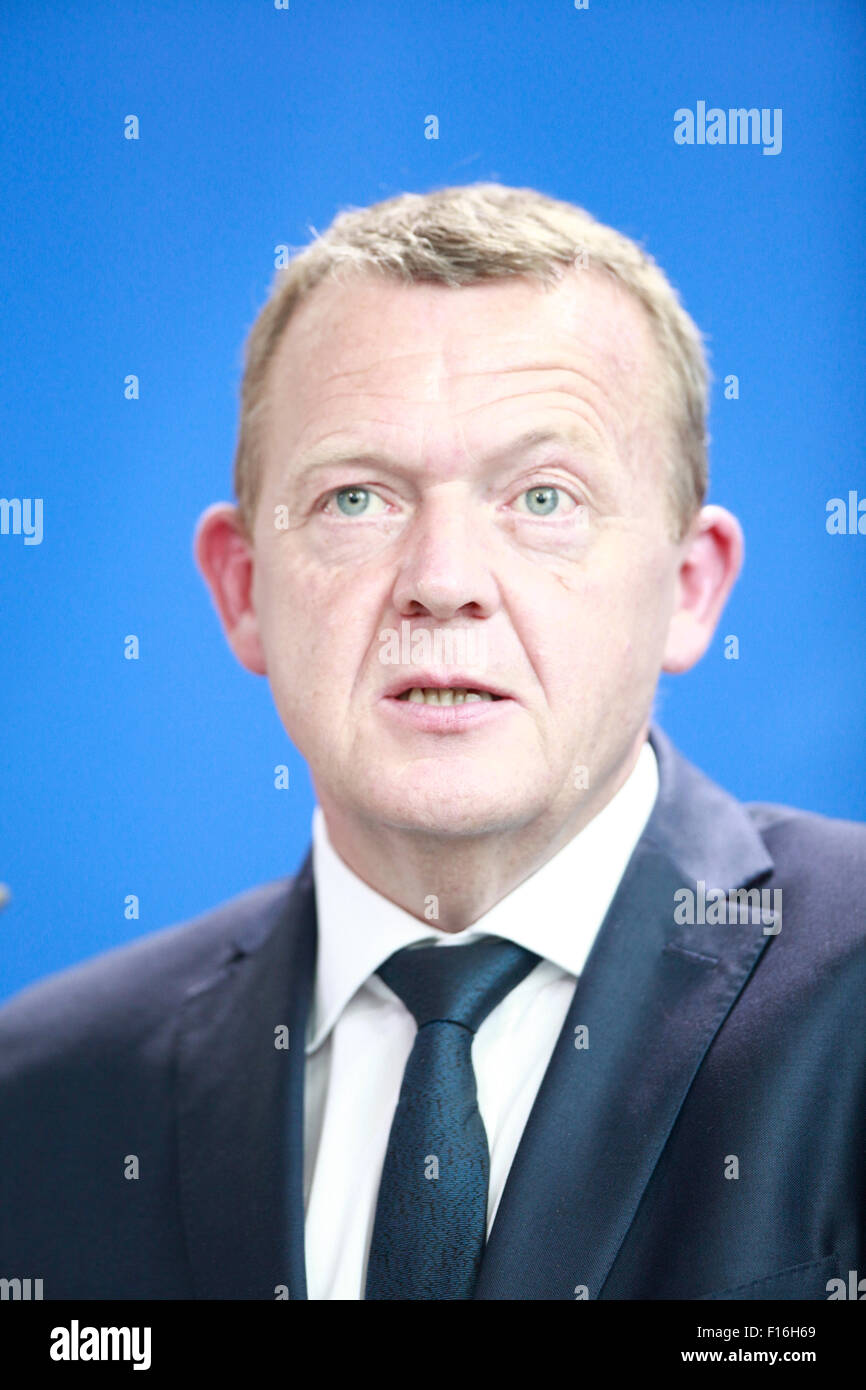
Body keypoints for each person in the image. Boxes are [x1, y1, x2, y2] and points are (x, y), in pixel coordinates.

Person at [1, 184, 864, 1301]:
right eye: (356, 499)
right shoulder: (45, 1090)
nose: (444, 581)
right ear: (243, 589)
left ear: (689, 590)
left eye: (543, 497)